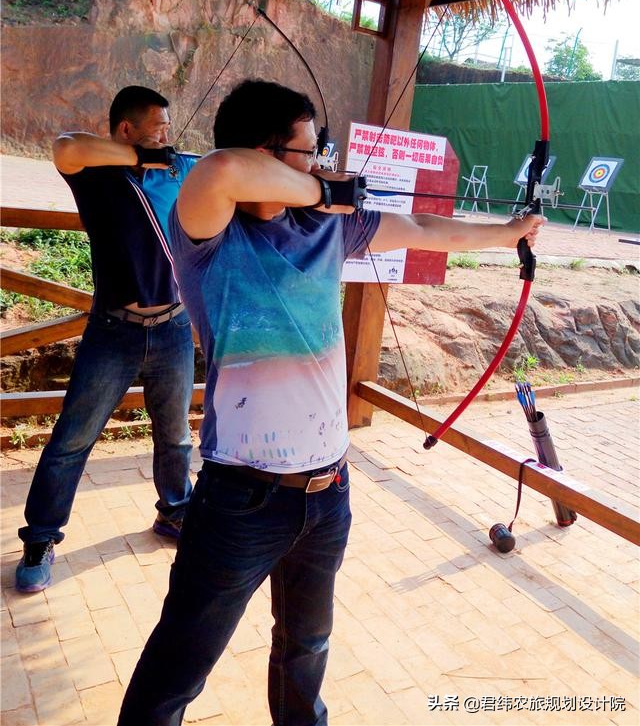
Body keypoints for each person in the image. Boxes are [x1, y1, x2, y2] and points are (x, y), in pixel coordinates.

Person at [118, 79, 543, 726]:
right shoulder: (209, 236)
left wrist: (509, 231)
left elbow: (424, 225)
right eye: (310, 150)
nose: (322, 161)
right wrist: (326, 188)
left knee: (305, 651)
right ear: (268, 150)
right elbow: (226, 168)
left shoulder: (328, 229)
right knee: (179, 665)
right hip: (241, 499)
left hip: (329, 490)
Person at [16, 86, 196, 594]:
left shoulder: (175, 172)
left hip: (174, 327)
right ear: (127, 130)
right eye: (158, 126)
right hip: (114, 330)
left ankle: (175, 511)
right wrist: (141, 156)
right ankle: (41, 538)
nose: (168, 135)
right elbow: (64, 146)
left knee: (176, 435)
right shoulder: (96, 175)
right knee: (72, 439)